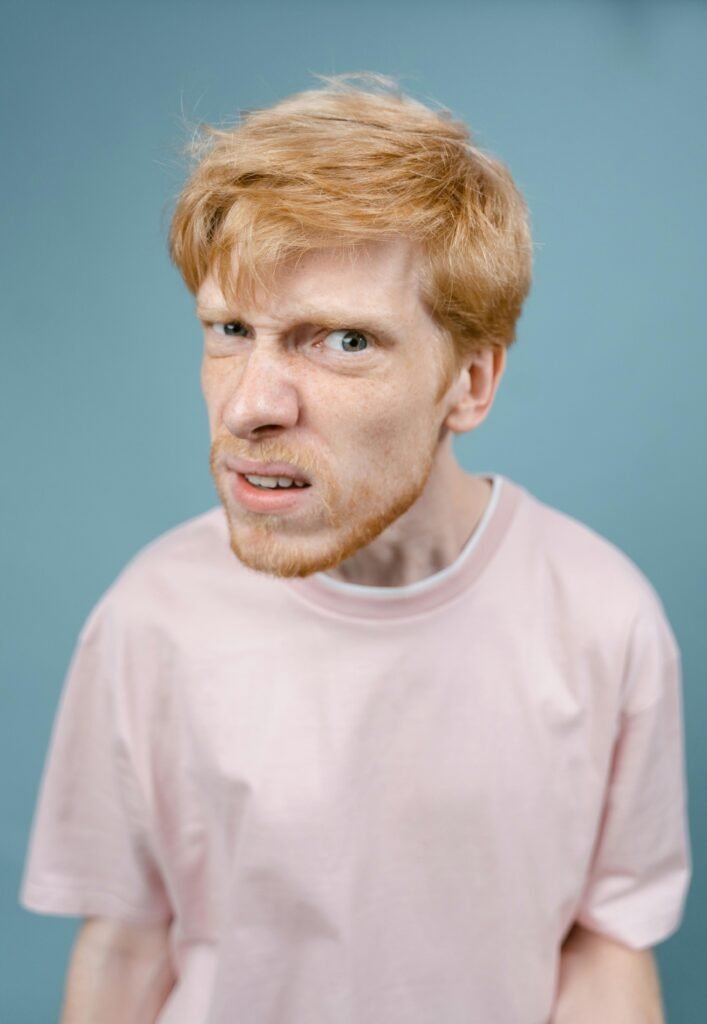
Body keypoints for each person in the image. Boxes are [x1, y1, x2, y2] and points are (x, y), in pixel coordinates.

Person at [20, 74, 690, 1024]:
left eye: (339, 340)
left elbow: (603, 947)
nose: (250, 405)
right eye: (229, 330)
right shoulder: (150, 613)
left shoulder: (602, 617)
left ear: (468, 382)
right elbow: (126, 944)